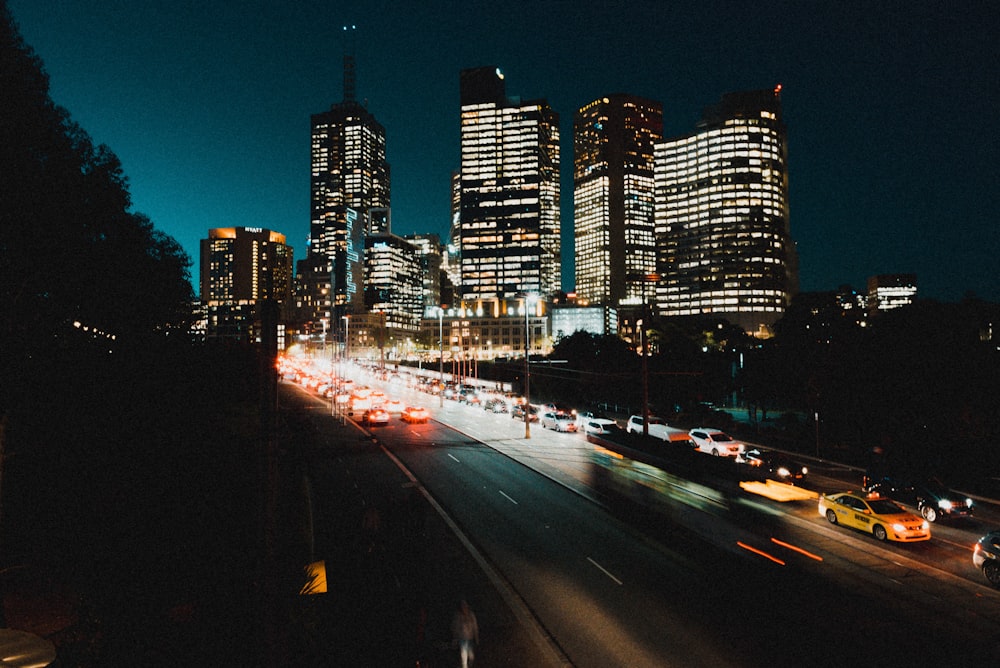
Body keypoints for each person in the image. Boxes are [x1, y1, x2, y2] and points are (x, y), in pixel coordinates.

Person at [451, 599, 479, 668]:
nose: (464, 607)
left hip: (470, 639)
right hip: (462, 639)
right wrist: (455, 639)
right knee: (464, 657)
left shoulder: (471, 615)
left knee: (471, 657)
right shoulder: (458, 616)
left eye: (465, 605)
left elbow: (475, 626)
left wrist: (477, 637)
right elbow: (455, 627)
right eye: (463, 606)